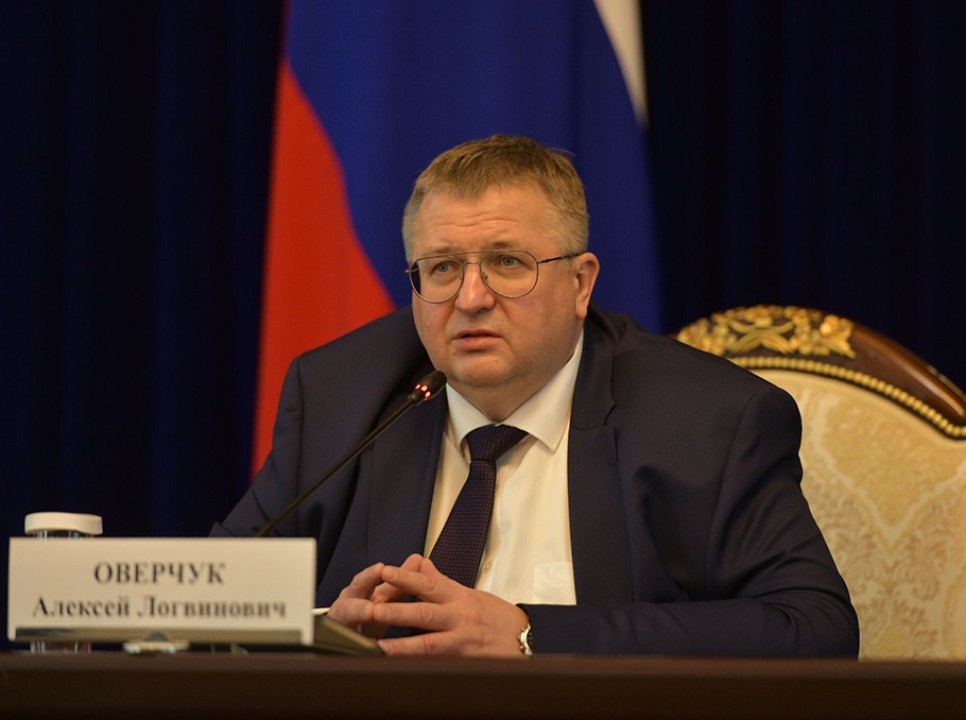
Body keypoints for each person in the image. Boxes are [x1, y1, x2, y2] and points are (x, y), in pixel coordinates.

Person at [213, 134, 858, 657]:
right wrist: (322, 633)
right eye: (442, 268)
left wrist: (531, 635)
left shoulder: (704, 418)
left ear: (580, 284)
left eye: (507, 263)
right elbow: (213, 604)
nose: (470, 298)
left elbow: (813, 626)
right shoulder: (340, 395)